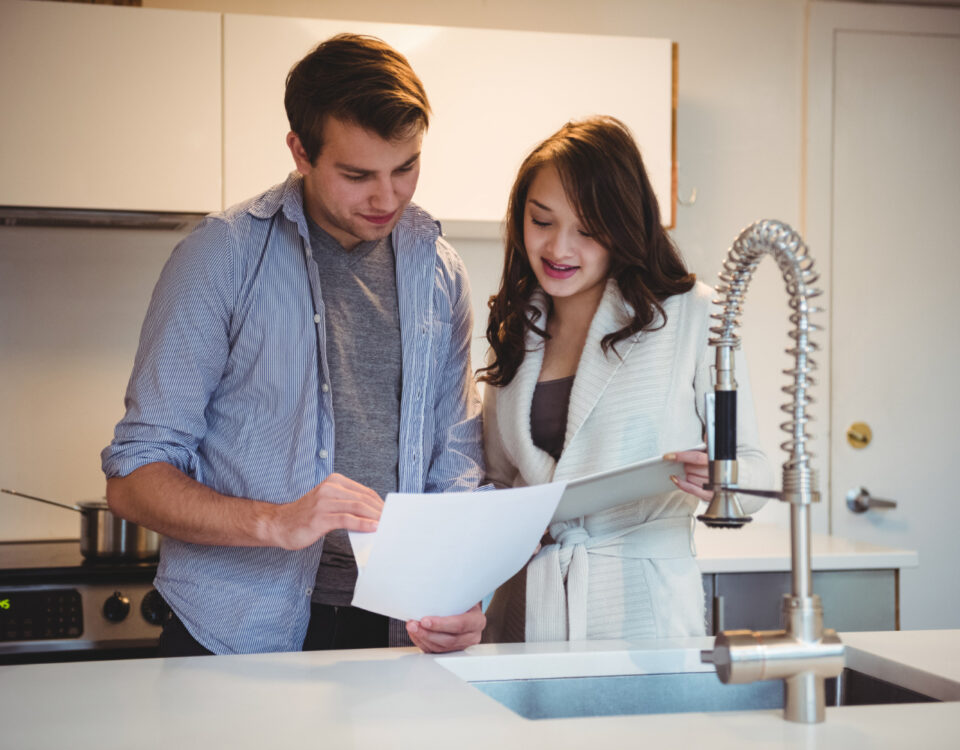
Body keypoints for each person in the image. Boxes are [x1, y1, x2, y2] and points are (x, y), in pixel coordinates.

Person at [101, 33, 485, 656]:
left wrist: (460, 590)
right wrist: (277, 522)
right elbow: (133, 479)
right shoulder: (220, 257)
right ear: (300, 152)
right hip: (232, 631)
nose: (387, 197)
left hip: (393, 628)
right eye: (357, 175)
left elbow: (456, 470)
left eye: (405, 168)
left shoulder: (440, 272)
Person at [479, 116, 772, 642]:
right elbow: (498, 481)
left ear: (624, 227)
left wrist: (720, 479)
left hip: (642, 612)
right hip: (526, 608)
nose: (559, 248)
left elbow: (750, 467)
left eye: (588, 230)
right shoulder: (514, 327)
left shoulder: (693, 315)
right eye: (542, 221)